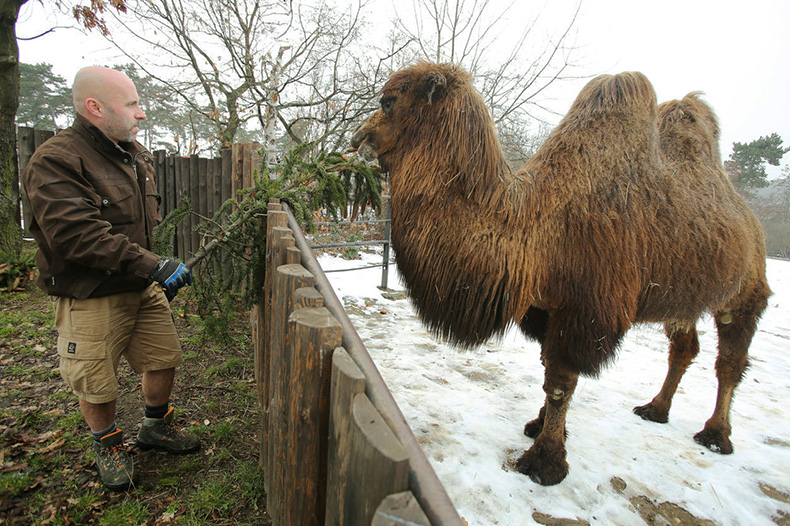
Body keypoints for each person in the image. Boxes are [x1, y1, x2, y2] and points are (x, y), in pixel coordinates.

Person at [22, 66, 200, 491]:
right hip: (91, 294)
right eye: (133, 104)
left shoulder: (133, 153)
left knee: (163, 357)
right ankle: (107, 442)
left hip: (139, 287)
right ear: (95, 107)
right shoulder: (56, 160)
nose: (142, 113)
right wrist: (153, 265)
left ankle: (155, 427)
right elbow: (77, 235)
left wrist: (147, 272)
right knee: (96, 378)